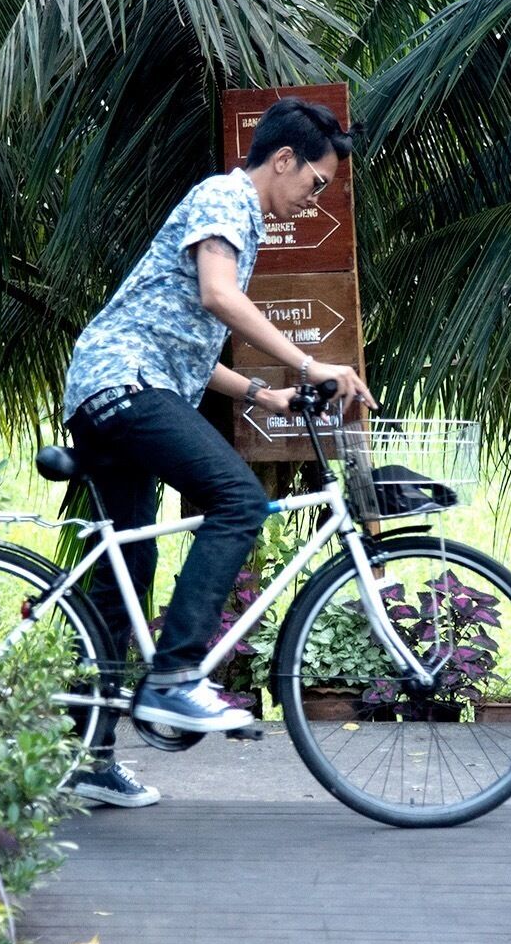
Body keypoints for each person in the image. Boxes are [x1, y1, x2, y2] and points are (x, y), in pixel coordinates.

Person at [59, 97, 375, 808]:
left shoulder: (237, 216)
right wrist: (310, 365)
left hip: (121, 384)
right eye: (315, 184)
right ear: (284, 160)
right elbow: (219, 297)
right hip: (124, 382)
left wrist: (268, 396)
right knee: (238, 499)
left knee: (126, 569)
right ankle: (175, 676)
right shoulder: (226, 196)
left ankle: (89, 756)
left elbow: (191, 344)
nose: (314, 201)